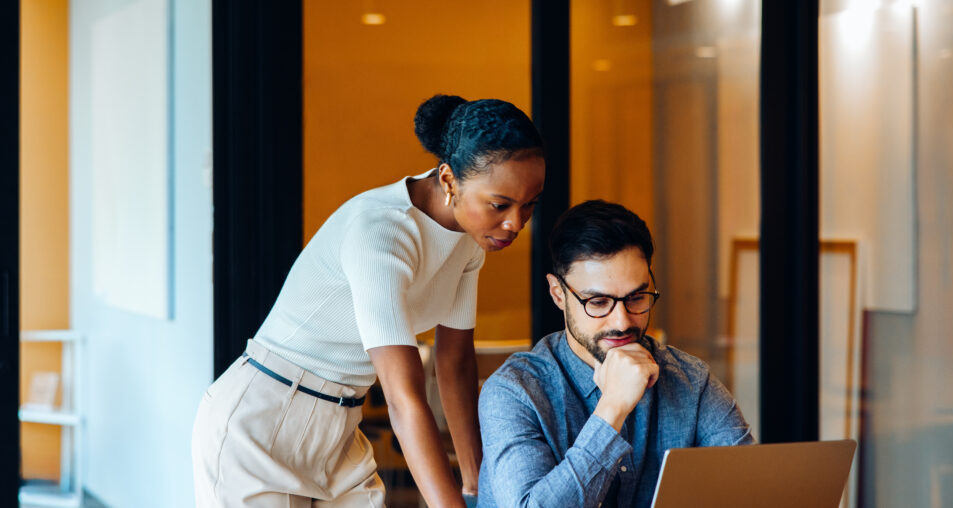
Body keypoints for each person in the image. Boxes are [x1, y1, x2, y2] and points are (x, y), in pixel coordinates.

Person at [192, 95, 545, 507]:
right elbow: (403, 397)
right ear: (448, 180)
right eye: (500, 205)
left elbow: (454, 364)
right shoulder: (382, 231)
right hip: (263, 423)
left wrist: (477, 484)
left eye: (529, 205)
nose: (516, 223)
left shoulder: (469, 245)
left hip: (341, 424)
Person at [477, 200, 753, 508]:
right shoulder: (514, 392)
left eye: (636, 297)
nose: (622, 322)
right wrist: (612, 410)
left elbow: (749, 490)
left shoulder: (691, 380)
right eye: (597, 302)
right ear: (558, 294)